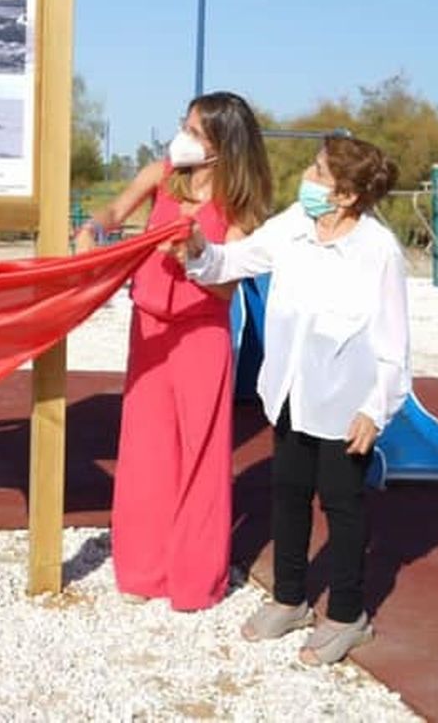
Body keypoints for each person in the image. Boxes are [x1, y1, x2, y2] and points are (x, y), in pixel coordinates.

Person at [174, 134, 409, 665]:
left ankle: (348, 616)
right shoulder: (293, 227)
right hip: (287, 393)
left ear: (347, 194)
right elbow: (233, 260)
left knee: (343, 507)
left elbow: (395, 343)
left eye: (319, 172)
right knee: (288, 495)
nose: (307, 176)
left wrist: (376, 408)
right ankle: (289, 599)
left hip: (344, 405)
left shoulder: (378, 252)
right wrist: (195, 249)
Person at [75, 91, 272, 611]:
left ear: (221, 146)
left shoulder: (241, 207)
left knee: (200, 456)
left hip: (200, 336)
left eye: (195, 131)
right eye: (183, 125)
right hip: (147, 332)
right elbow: (115, 210)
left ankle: (194, 579)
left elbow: (226, 290)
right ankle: (142, 569)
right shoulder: (162, 174)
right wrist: (92, 228)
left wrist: (191, 256)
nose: (182, 137)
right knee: (145, 450)